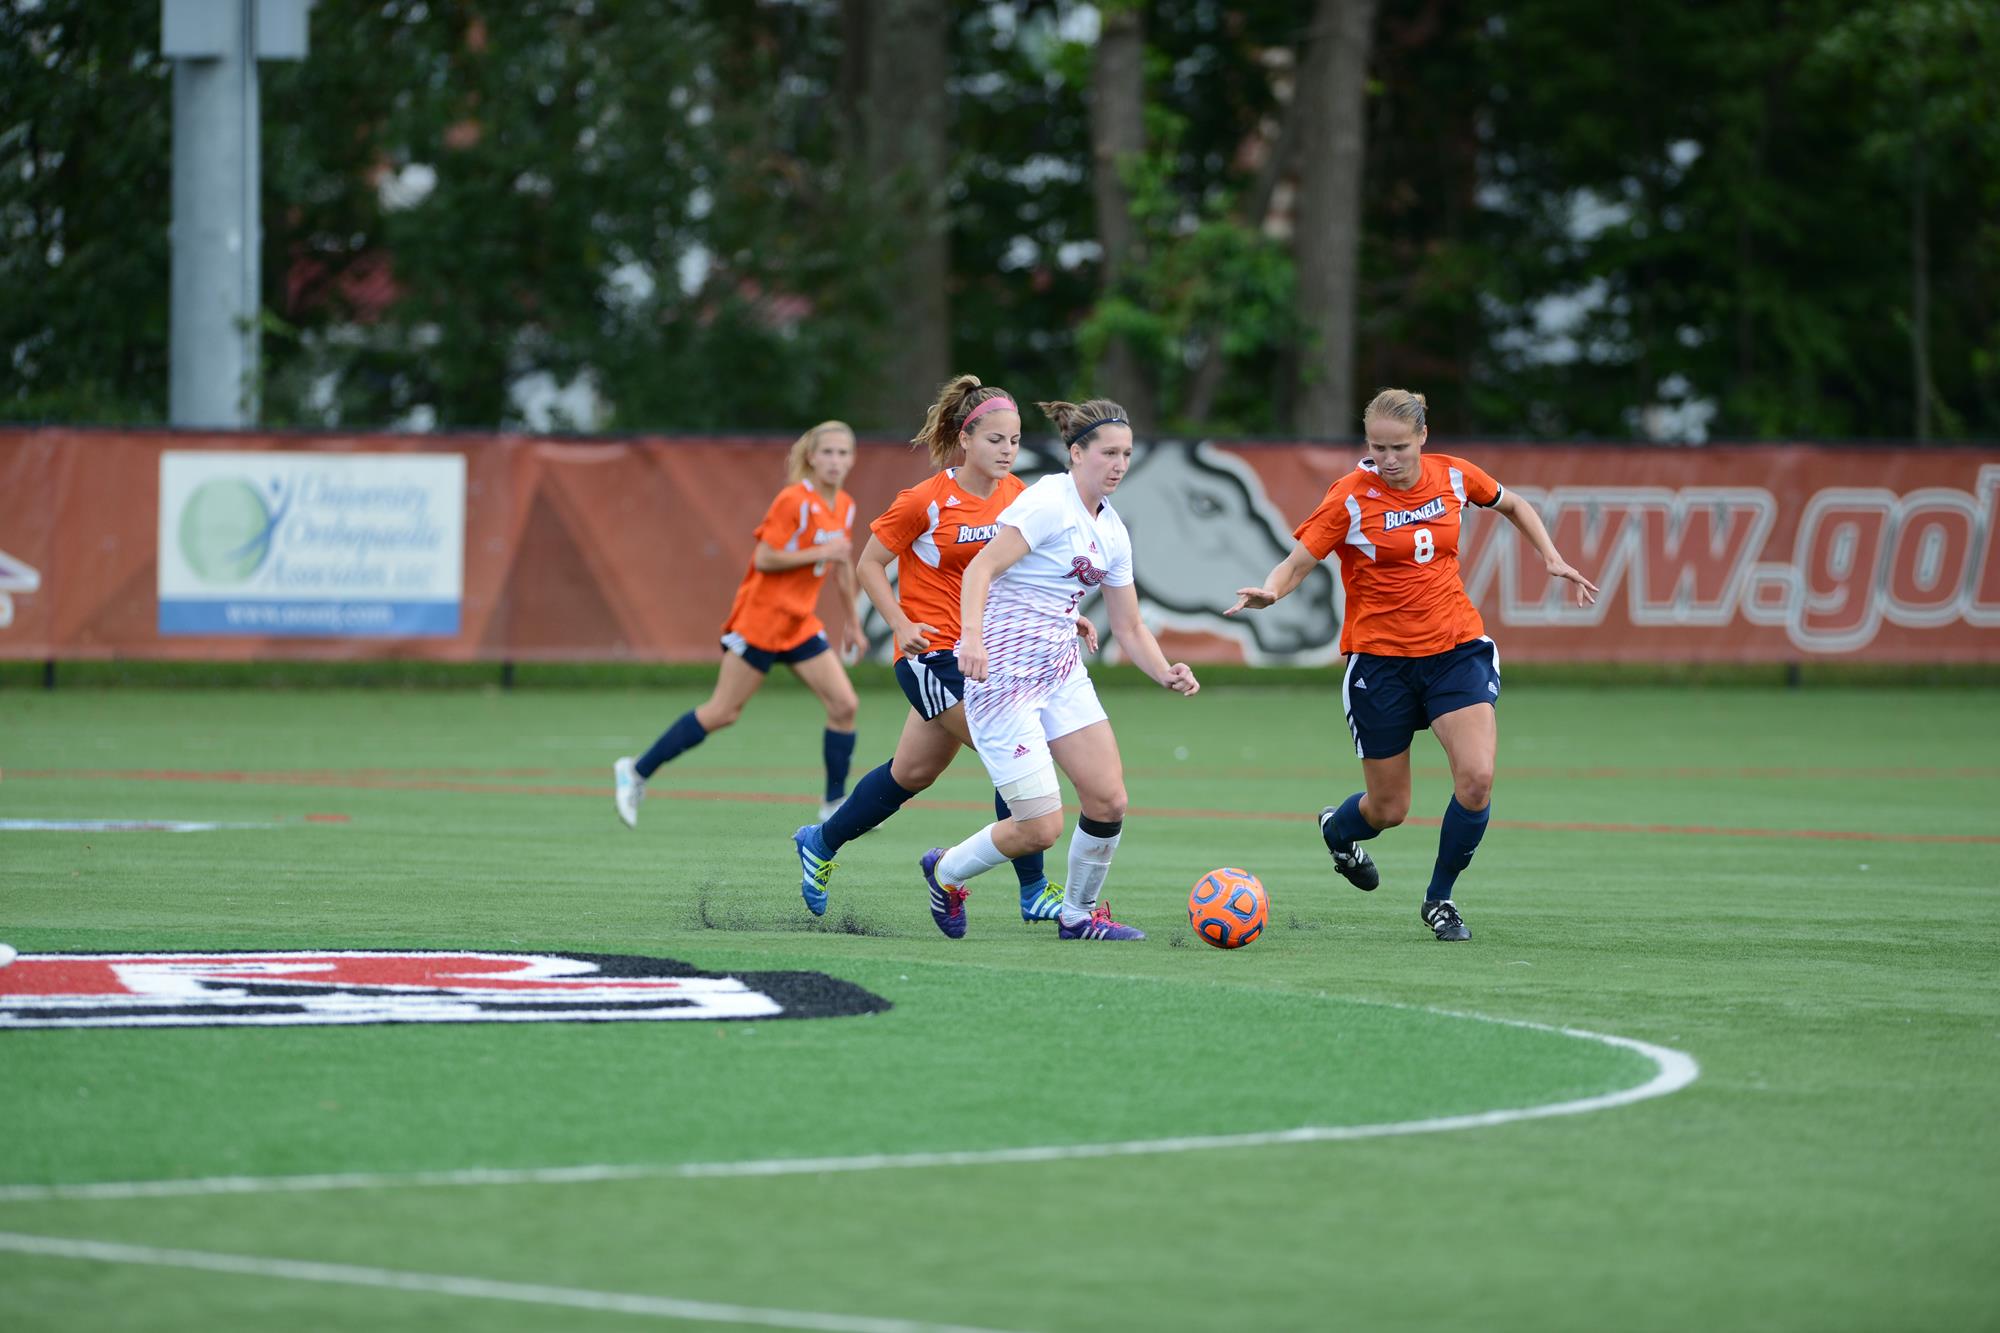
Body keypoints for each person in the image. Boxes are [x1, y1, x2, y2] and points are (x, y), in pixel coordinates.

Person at [1226, 388, 1598, 941]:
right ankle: (1338, 830)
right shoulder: (1350, 496)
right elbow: (1300, 560)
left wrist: (1552, 556)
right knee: (1390, 807)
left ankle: (1440, 899)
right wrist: (1272, 592)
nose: (1388, 459)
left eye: (1399, 446)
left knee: (1476, 779)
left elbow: (1513, 504)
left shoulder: (1454, 476)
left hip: (1455, 650)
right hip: (1380, 665)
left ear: (1423, 436)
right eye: (1377, 447)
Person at [791, 375, 1088, 922]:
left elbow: (1020, 574)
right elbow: (868, 565)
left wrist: (1073, 616)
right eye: (995, 440)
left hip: (986, 657)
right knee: (1013, 750)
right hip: (933, 658)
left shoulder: (1016, 497)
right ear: (964, 439)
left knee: (912, 773)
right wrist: (901, 624)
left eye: (1015, 440)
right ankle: (1034, 892)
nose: (1007, 451)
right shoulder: (925, 500)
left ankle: (820, 842)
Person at [920, 397, 1200, 942]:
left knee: (1108, 799)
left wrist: (1164, 671)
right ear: (1077, 453)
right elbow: (981, 568)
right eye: (1108, 453)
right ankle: (945, 871)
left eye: (1126, 454)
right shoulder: (1048, 501)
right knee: (1039, 828)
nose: (1119, 464)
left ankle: (1077, 915)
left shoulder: (1113, 531)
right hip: (1000, 680)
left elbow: (1129, 625)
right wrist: (971, 639)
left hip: (1060, 675)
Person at [614, 421, 865, 828]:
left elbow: (840, 567)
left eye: (843, 453)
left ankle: (834, 803)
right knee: (722, 712)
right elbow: (766, 558)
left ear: (853, 458)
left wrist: (852, 622)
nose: (836, 461)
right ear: (812, 457)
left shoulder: (845, 505)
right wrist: (823, 549)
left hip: (799, 622)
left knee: (845, 705)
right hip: (761, 619)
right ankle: (636, 771)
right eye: (828, 452)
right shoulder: (793, 500)